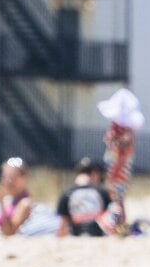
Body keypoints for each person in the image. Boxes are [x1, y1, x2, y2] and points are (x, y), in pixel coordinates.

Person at [98, 88, 142, 235]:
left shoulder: (123, 132)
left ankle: (118, 224)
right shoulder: (124, 130)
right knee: (118, 197)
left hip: (119, 167)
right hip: (119, 167)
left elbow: (116, 146)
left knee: (117, 197)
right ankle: (119, 224)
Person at [0, 158, 41, 237]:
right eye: (5, 177)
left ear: (23, 178)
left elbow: (9, 232)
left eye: (12, 177)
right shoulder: (10, 200)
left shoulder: (24, 203)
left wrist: (1, 202)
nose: (8, 181)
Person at [56, 158, 112, 237]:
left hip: (76, 233)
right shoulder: (102, 192)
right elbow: (111, 219)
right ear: (94, 174)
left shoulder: (66, 193)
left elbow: (63, 224)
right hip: (97, 233)